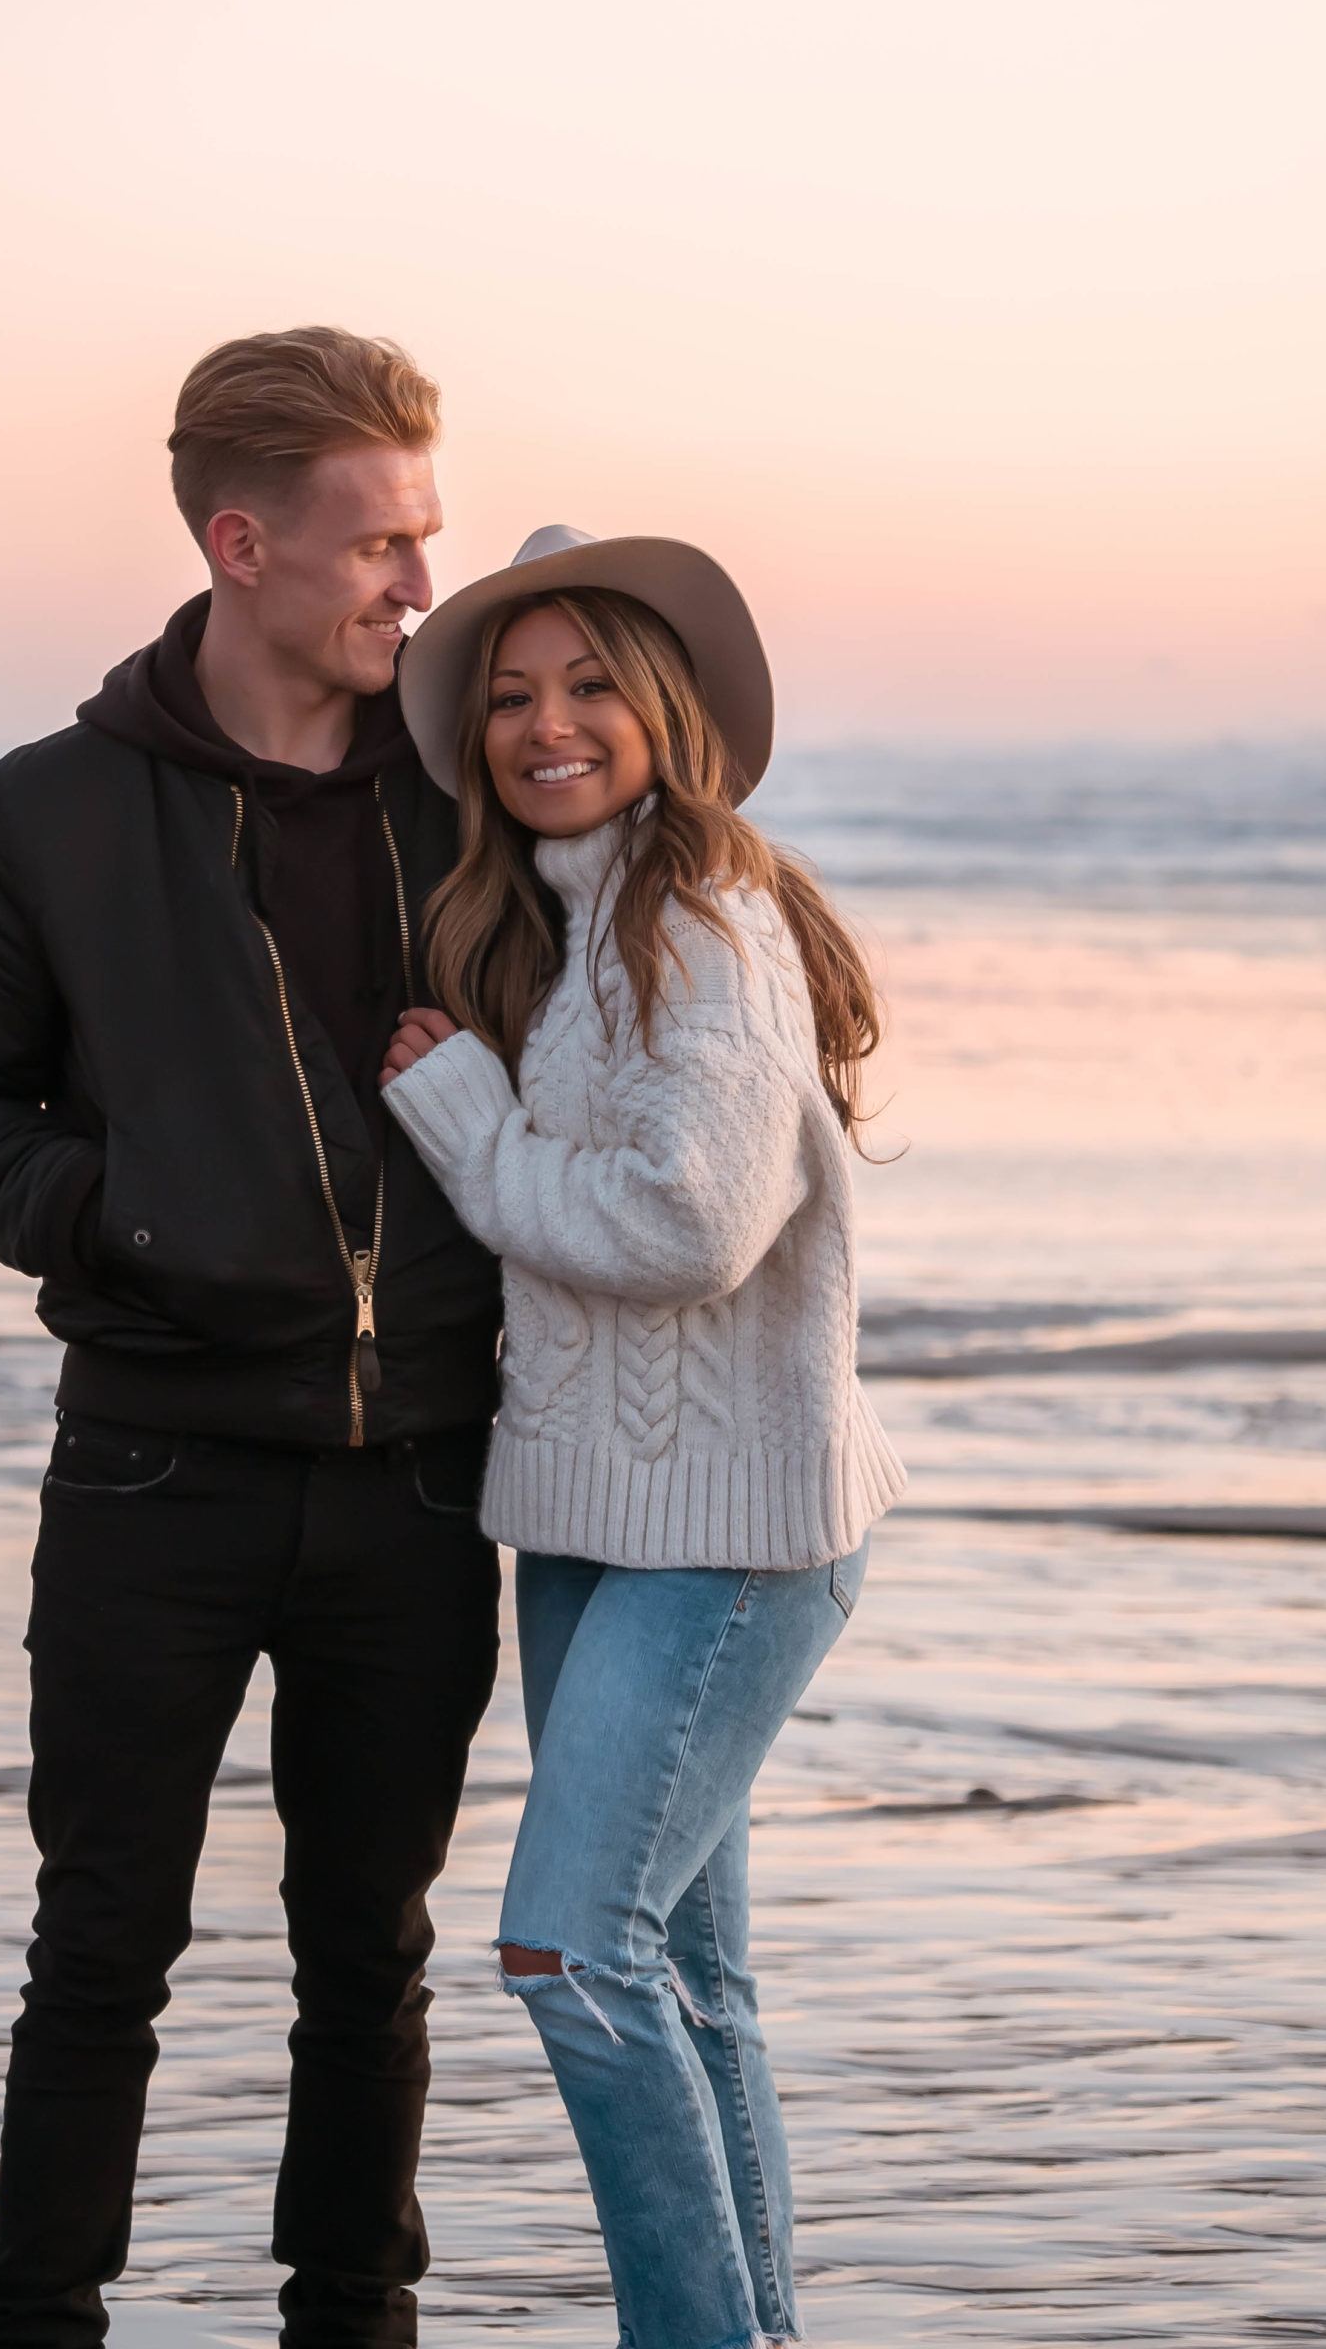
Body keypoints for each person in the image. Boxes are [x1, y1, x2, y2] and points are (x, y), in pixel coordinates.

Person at [0, 329, 504, 2349]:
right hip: (154, 1468)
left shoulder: (470, 798)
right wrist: (124, 1217)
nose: (420, 582)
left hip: (419, 1469)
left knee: (368, 1948)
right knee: (103, 1939)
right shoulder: (57, 811)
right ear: (242, 542)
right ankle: (40, 2311)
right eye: (378, 544)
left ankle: (356, 2308)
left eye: (429, 534)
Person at [378, 526, 905, 2349]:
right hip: (589, 1524)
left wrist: (464, 1122)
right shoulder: (568, 920)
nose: (547, 724)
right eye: (512, 696)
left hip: (733, 1537)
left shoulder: (702, 920)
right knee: (688, 1975)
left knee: (567, 1955)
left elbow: (691, 1227)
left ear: (666, 706)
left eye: (589, 682)